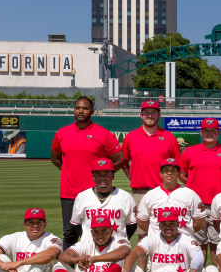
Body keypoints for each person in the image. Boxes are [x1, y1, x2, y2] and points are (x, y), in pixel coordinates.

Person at [50, 96, 124, 249]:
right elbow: (55, 158)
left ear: (92, 111)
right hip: (69, 194)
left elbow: (120, 159)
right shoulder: (62, 133)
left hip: (95, 194)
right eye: (77, 108)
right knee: (69, 234)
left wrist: (104, 176)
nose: (80, 111)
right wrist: (69, 171)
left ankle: (97, 270)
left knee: (97, 233)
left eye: (84, 108)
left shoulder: (103, 134)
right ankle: (69, 271)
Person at [178, 118, 221, 257]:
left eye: (213, 131)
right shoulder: (190, 151)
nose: (209, 133)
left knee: (217, 244)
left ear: (219, 132)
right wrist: (192, 186)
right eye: (206, 131)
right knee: (198, 244)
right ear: (201, 132)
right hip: (196, 205)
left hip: (219, 205)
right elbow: (182, 174)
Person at [121, 101, 180, 215]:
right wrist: (132, 176)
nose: (150, 115)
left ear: (159, 115)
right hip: (139, 192)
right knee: (142, 230)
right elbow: (123, 162)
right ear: (141, 115)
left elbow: (178, 164)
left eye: (153, 112)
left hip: (164, 192)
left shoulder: (169, 137)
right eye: (146, 112)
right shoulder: (131, 137)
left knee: (165, 228)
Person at [69, 158, 136, 246]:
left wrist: (119, 240)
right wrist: (87, 239)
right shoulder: (82, 197)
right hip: (89, 248)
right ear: (93, 176)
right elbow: (76, 223)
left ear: (112, 176)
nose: (102, 178)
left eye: (106, 174)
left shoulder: (125, 197)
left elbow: (132, 225)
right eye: (98, 174)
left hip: (117, 248)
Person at [135, 158, 207, 239]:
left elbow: (200, 222)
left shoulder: (190, 194)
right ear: (161, 173)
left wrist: (186, 233)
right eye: (166, 170)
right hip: (157, 242)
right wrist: (154, 234)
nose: (169, 173)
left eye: (173, 170)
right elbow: (141, 220)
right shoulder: (150, 195)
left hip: (182, 242)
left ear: (178, 173)